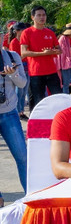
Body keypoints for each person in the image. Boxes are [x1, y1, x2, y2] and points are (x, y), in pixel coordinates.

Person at [20, 6, 62, 110]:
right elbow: (23, 53)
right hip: (36, 73)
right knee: (39, 101)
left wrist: (54, 51)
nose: (42, 17)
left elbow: (59, 50)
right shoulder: (27, 32)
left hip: (52, 71)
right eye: (39, 15)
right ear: (32, 17)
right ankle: (37, 123)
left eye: (44, 15)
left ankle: (57, 120)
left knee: (58, 97)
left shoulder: (50, 33)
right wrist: (43, 53)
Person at [0, 42, 28, 192]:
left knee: (23, 157)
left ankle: (30, 195)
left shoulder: (12, 56)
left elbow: (22, 84)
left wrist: (12, 74)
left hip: (9, 112)